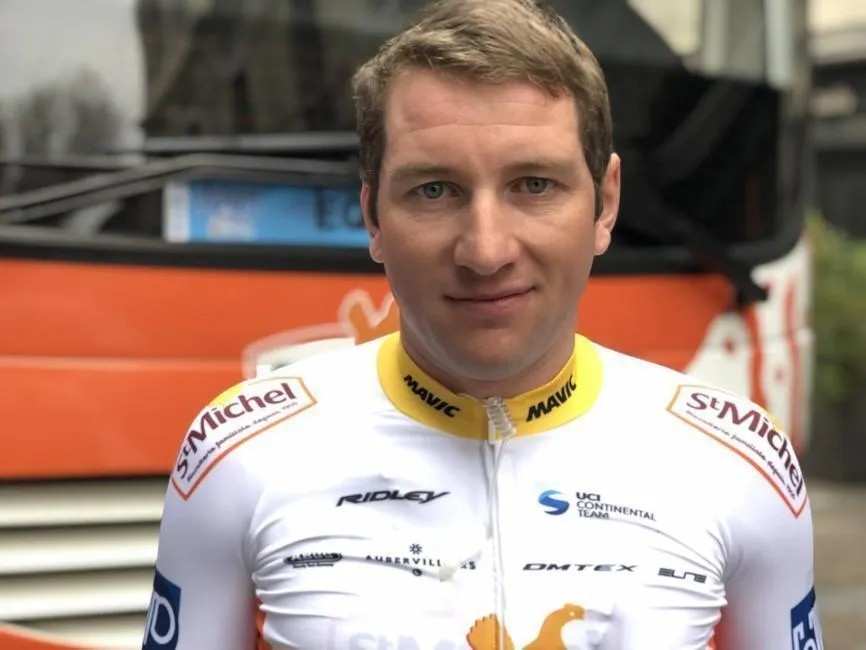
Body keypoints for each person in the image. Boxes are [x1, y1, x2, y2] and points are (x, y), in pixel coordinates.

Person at [142, 0, 823, 648]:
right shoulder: (239, 457)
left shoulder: (738, 465)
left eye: (534, 185)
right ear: (373, 216)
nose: (486, 250)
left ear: (606, 203)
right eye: (434, 190)